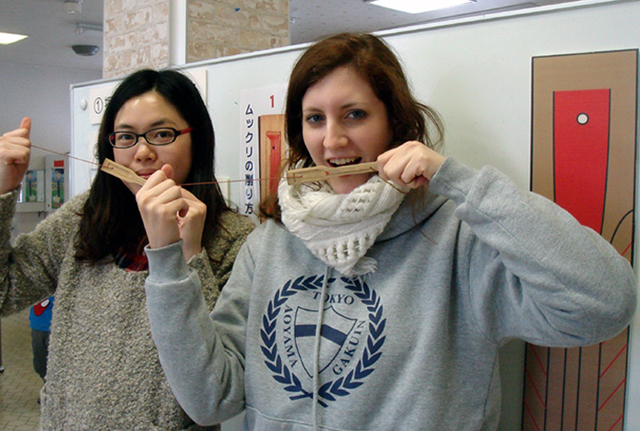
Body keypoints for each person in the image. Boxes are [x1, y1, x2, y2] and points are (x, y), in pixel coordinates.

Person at [142, 34, 637, 430]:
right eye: (314, 119)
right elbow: (212, 399)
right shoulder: (269, 242)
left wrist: (458, 180)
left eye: (354, 114)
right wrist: (167, 259)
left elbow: (605, 303)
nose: (332, 140)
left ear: (394, 123)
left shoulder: (457, 240)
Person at [0, 69, 254, 430]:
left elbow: (214, 393)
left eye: (162, 134)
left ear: (196, 138)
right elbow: (3, 291)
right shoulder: (83, 218)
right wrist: (2, 191)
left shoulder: (235, 238)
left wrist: (187, 255)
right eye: (126, 137)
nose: (142, 152)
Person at [29, 296, 54, 382]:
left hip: (56, 328)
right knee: (40, 363)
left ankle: (54, 391)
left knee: (56, 364)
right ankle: (47, 387)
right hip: (37, 326)